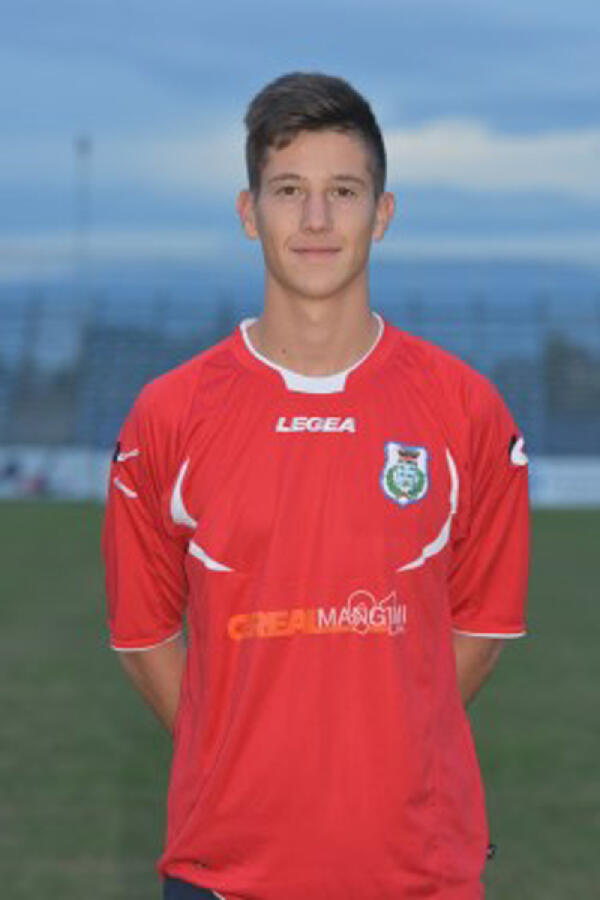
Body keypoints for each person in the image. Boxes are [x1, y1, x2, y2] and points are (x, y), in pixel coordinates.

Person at [102, 72, 529, 900]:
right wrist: (240, 757)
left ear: (383, 212)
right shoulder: (170, 415)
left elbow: (481, 629)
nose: (318, 220)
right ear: (248, 211)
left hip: (418, 873)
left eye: (344, 191)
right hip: (225, 873)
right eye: (290, 190)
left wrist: (385, 750)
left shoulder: (466, 410)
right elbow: (144, 636)